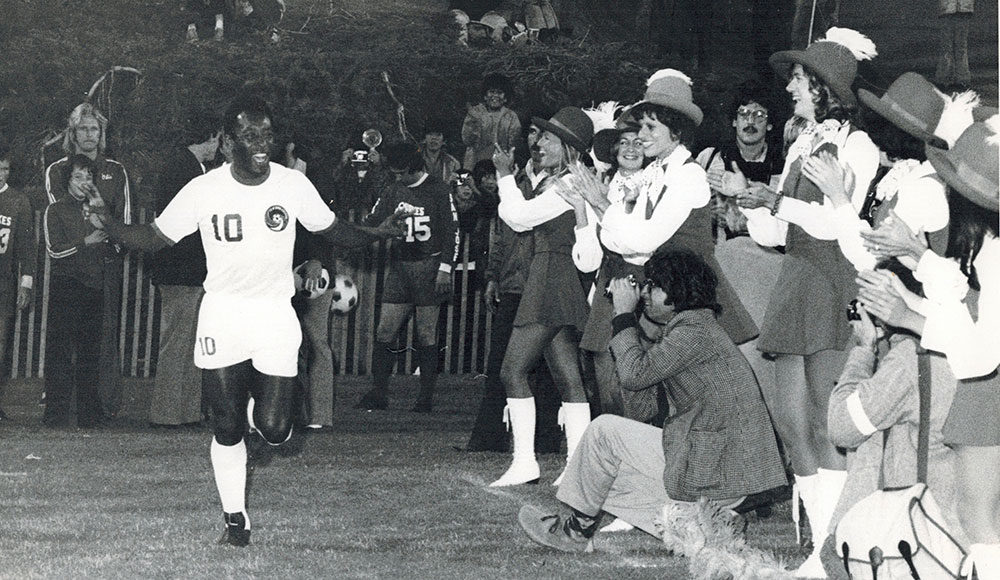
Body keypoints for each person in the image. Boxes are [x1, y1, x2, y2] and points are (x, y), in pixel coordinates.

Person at [86, 94, 405, 547]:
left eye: (268, 134)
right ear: (227, 140)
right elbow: (154, 238)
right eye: (250, 136)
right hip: (222, 314)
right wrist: (109, 223)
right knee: (226, 425)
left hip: (275, 315)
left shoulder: (292, 185)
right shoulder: (204, 189)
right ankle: (235, 519)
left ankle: (264, 414)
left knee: (276, 432)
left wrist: (378, 232)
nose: (262, 144)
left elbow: (335, 232)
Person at [517, 248, 787, 552]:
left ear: (677, 292)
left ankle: (576, 533)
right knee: (600, 475)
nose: (644, 292)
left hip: (719, 467)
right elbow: (641, 407)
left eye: (653, 286)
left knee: (603, 431)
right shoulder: (692, 328)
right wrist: (637, 331)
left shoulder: (693, 332)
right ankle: (706, 527)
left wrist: (622, 319)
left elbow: (633, 376)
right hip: (716, 463)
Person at [736, 28, 880, 578]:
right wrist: (752, 202)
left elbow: (844, 228)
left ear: (824, 87)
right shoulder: (800, 142)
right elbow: (777, 232)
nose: (791, 87)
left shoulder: (858, 148)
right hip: (796, 279)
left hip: (833, 280)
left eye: (799, 78)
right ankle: (823, 549)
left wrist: (782, 204)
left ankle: (831, 556)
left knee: (824, 423)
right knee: (793, 424)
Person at [565, 69, 758, 419]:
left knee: (670, 398)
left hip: (686, 295)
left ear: (677, 131)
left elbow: (641, 238)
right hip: (658, 288)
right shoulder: (657, 172)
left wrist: (601, 203)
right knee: (618, 384)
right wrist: (599, 205)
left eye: (651, 127)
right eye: (640, 126)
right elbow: (618, 239)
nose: (640, 136)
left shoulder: (688, 175)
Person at [857, 116, 1000, 579]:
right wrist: (911, 308)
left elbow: (978, 353)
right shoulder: (983, 249)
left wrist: (920, 266)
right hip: (982, 387)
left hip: (987, 390)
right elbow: (965, 320)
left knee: (980, 521)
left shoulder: (993, 253)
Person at [826, 266, 967, 559]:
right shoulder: (966, 341)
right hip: (966, 516)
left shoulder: (909, 361)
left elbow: (841, 427)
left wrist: (864, 350)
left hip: (921, 534)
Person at [488, 106, 593, 487]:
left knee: (512, 370)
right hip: (552, 277)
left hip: (553, 277)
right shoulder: (562, 181)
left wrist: (503, 176)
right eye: (539, 135)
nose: (538, 142)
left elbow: (517, 218)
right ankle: (576, 468)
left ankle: (524, 462)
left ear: (568, 147)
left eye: (548, 137)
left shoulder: (568, 185)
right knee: (568, 378)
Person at [695, 80, 786, 422]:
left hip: (766, 267)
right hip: (721, 264)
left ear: (770, 123)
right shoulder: (709, 159)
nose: (751, 121)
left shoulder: (783, 165)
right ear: (733, 121)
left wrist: (744, 217)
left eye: (759, 115)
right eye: (743, 113)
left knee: (759, 346)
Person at [354, 142, 458, 413]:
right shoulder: (393, 190)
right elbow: (373, 221)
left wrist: (446, 268)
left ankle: (425, 398)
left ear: (415, 167)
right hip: (400, 268)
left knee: (426, 333)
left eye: (402, 173)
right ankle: (379, 393)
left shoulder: (438, 189)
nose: (399, 177)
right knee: (385, 331)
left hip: (429, 266)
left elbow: (452, 231)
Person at [44, 102, 131, 421]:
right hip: (70, 268)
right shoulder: (57, 169)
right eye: (83, 128)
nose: (90, 135)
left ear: (102, 133)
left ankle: (100, 406)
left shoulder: (116, 169)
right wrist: (88, 232)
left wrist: (111, 242)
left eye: (95, 129)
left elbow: (123, 218)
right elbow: (63, 213)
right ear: (73, 132)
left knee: (101, 339)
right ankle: (56, 407)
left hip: (104, 266)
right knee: (63, 340)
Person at [148, 115, 221, 427]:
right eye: (218, 140)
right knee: (178, 342)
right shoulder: (186, 171)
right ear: (211, 136)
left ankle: (186, 413)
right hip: (182, 271)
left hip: (185, 271)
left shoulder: (184, 166)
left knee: (189, 342)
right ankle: (166, 413)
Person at [42, 155, 113, 427]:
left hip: (93, 287)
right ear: (67, 181)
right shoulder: (56, 210)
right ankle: (56, 414)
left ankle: (89, 414)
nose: (85, 182)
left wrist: (102, 215)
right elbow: (54, 250)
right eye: (78, 177)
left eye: (88, 177)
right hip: (67, 287)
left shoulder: (96, 208)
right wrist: (86, 241)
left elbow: (113, 243)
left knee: (89, 353)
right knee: (60, 352)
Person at [0, 147, 35, 422]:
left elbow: (26, 248)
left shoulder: (18, 201)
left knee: (1, 345)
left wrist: (25, 284)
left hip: (4, 283)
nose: (1, 174)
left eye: (5, 169)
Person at [462, 73, 521, 170]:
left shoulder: (511, 116)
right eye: (492, 92)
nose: (495, 96)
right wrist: (474, 120)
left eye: (499, 92)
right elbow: (467, 140)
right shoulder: (475, 112)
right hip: (474, 163)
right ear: (485, 96)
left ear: (505, 97)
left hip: (501, 164)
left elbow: (514, 145)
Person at [934, 0, 974, 88]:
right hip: (947, 9)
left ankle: (962, 79)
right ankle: (944, 78)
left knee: (961, 45)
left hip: (964, 8)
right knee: (946, 46)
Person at [421, 118, 461, 185]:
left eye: (438, 135)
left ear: (444, 141)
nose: (434, 138)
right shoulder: (414, 160)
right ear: (424, 139)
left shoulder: (453, 163)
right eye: (430, 134)